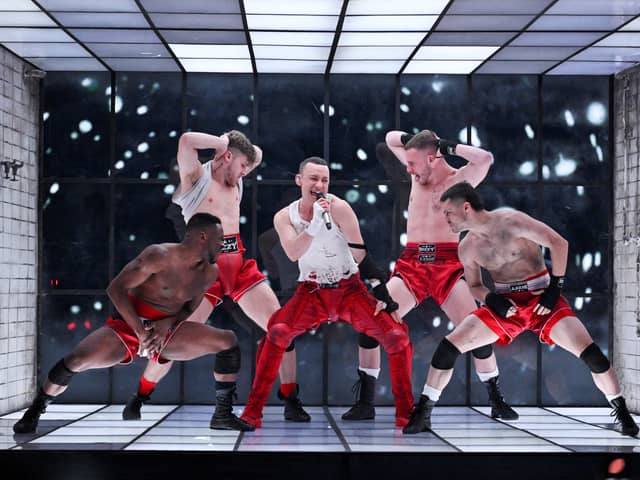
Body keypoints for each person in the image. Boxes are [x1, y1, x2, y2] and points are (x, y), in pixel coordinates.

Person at [403, 182, 639, 437]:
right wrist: (492, 300)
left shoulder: (512, 221)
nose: (445, 219)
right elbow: (474, 285)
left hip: (542, 301)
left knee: (594, 356)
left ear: (466, 207)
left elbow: (559, 243)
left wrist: (553, 291)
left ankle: (621, 412)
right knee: (448, 348)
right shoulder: (466, 247)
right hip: (507, 306)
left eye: (448, 212)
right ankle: (423, 413)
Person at [122, 130, 309, 423]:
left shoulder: (236, 177)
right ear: (227, 156)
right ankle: (140, 396)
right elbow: (186, 141)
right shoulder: (196, 178)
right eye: (243, 165)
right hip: (201, 271)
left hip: (237, 265)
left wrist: (235, 149)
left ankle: (291, 398)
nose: (247, 171)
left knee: (282, 327)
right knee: (170, 340)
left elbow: (255, 152)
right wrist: (222, 143)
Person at [14, 213, 254, 434]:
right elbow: (116, 289)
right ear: (203, 236)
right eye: (220, 238)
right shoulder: (159, 255)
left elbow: (189, 309)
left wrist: (167, 323)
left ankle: (223, 415)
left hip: (166, 332)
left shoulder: (210, 273)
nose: (224, 244)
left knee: (227, 340)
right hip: (128, 327)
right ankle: (36, 408)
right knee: (76, 360)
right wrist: (140, 332)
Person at [342, 130, 518, 422]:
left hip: (446, 264)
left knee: (476, 329)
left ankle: (495, 397)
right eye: (407, 163)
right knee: (371, 322)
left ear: (433, 157)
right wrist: (419, 141)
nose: (407, 169)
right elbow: (390, 138)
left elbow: (485, 159)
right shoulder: (417, 172)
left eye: (412, 163)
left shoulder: (457, 181)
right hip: (413, 263)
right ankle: (365, 401)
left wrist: (446, 145)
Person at [239, 156, 414, 429]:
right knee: (277, 333)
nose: (319, 185)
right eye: (313, 178)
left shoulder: (341, 208)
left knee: (396, 336)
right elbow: (294, 252)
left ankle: (406, 415)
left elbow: (360, 253)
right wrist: (316, 225)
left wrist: (382, 292)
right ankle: (252, 414)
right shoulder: (285, 216)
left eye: (324, 180)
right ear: (299, 181)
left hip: (349, 289)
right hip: (311, 291)